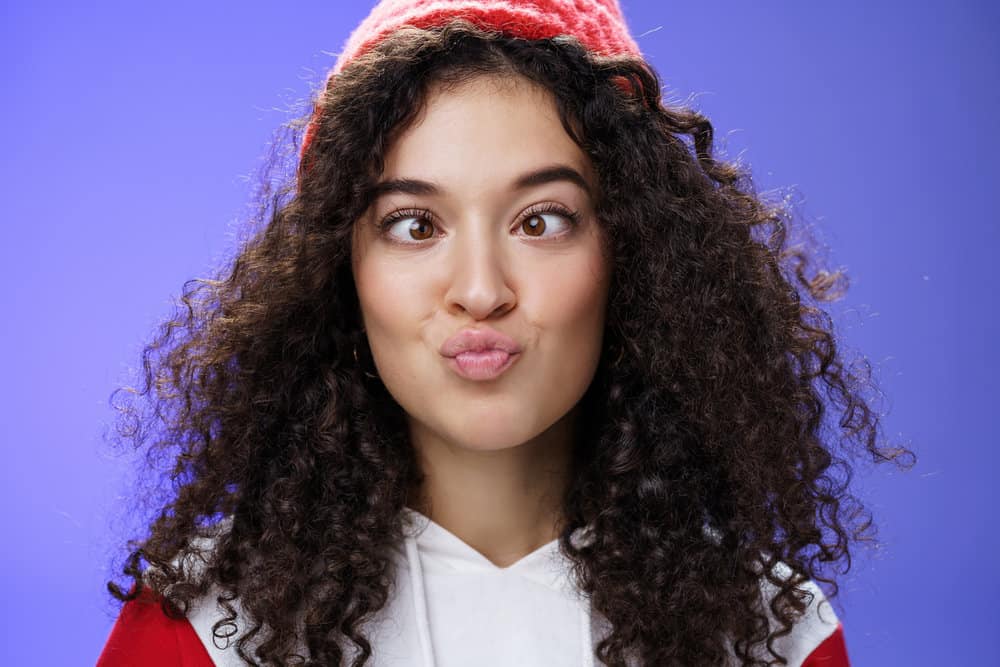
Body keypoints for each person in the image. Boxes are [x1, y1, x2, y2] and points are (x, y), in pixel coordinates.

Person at [97, 1, 911, 665]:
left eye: (542, 219)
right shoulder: (196, 628)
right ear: (339, 273)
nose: (481, 290)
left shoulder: (775, 635)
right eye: (415, 224)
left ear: (634, 253)